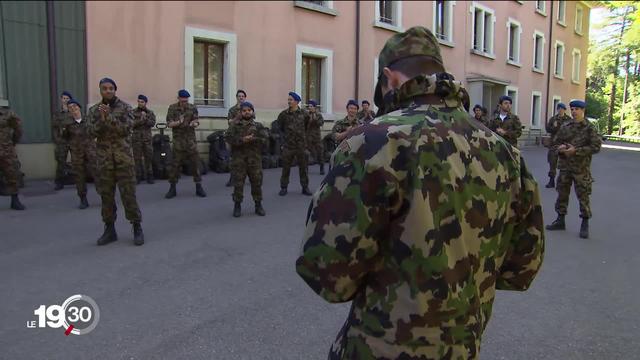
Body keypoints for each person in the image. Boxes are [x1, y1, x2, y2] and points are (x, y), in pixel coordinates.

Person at [296, 26, 544, 359]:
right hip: (463, 347)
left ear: (390, 78)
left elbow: (328, 273)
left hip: (381, 348)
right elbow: (522, 268)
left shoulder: (374, 142)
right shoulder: (504, 152)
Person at [87, 78, 144, 246]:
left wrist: (109, 118)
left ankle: (137, 226)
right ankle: (109, 229)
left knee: (129, 195)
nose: (108, 91)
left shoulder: (125, 108)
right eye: (104, 88)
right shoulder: (93, 111)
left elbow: (126, 129)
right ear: (100, 91)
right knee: (106, 197)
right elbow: (89, 132)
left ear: (115, 90)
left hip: (123, 159)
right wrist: (102, 120)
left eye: (111, 88)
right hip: (104, 160)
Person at [546, 99, 601, 239]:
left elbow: (596, 147)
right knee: (562, 193)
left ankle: (585, 222)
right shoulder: (566, 126)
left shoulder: (589, 128)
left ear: (583, 111)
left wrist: (576, 150)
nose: (574, 111)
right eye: (572, 109)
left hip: (581, 169)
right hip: (565, 167)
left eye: (577, 109)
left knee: (583, 196)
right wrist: (560, 148)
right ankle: (560, 219)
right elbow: (556, 142)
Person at [225, 101, 267, 217]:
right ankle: (237, 205)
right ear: (241, 112)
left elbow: (265, 140)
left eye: (249, 110)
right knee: (238, 184)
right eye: (244, 111)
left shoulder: (258, 126)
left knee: (256, 183)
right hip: (239, 161)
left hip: (254, 160)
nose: (247, 112)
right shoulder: (234, 126)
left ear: (252, 112)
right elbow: (228, 138)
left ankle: (258, 205)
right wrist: (242, 140)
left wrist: (253, 139)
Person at [164, 89, 207, 199]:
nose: (184, 103)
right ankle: (172, 188)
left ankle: (199, 187)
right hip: (178, 141)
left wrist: (194, 123)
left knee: (195, 164)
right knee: (175, 165)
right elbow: (169, 124)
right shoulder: (172, 108)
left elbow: (197, 120)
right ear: (178, 98)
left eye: (186, 101)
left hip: (190, 140)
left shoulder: (192, 107)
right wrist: (179, 122)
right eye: (182, 101)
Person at [277, 91, 311, 196]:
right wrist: (284, 140)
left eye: (291, 100)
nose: (289, 102)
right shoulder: (283, 114)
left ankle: (305, 187)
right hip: (288, 145)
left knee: (303, 167)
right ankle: (284, 187)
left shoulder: (304, 114)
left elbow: (307, 127)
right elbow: (280, 128)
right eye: (288, 100)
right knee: (286, 167)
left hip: (301, 145)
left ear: (296, 101)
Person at [64, 99, 97, 209]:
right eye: (70, 107)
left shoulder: (89, 120)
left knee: (97, 173)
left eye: (75, 106)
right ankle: (83, 199)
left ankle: (105, 196)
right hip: (77, 153)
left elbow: (96, 132)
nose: (73, 109)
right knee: (79, 176)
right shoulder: (67, 124)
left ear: (79, 107)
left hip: (91, 152)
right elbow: (65, 137)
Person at [0, 105, 25, 210]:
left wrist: (12, 143)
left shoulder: (8, 113)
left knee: (12, 173)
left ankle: (15, 200)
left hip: (6, 149)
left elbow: (18, 129)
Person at [544, 102, 571, 188]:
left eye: (562, 109)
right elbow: (548, 129)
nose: (560, 110)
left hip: (564, 145)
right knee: (552, 163)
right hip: (554, 145)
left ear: (564, 110)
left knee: (564, 165)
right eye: (559, 109)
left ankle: (563, 183)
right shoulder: (553, 119)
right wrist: (554, 127)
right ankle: (551, 181)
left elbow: (571, 131)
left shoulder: (568, 119)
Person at [132, 94, 156, 184]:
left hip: (147, 139)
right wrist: (140, 120)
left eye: (142, 102)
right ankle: (138, 176)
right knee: (137, 158)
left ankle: (150, 176)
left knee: (148, 158)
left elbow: (152, 123)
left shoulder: (150, 113)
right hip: (136, 139)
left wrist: (145, 119)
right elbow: (131, 124)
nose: (140, 103)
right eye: (138, 101)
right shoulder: (133, 112)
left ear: (145, 103)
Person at [52, 91, 74, 190]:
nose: (65, 100)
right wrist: (57, 139)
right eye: (63, 98)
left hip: (73, 139)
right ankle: (59, 182)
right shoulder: (57, 113)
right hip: (62, 140)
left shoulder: (74, 111)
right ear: (61, 100)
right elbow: (54, 127)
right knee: (61, 161)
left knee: (77, 160)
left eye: (67, 98)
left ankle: (79, 180)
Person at [226, 89, 247, 187]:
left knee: (247, 158)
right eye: (239, 96)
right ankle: (232, 178)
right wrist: (237, 118)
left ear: (245, 98)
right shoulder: (232, 110)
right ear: (237, 98)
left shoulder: (248, 109)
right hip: (235, 137)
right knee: (234, 158)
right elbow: (230, 122)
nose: (241, 98)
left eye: (243, 96)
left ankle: (249, 178)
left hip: (246, 136)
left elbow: (252, 119)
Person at [306, 100, 325, 175]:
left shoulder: (318, 115)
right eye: (309, 106)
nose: (309, 108)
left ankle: (322, 167)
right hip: (308, 136)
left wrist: (315, 119)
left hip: (316, 137)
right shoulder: (307, 115)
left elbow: (321, 123)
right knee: (306, 153)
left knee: (320, 152)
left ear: (315, 107)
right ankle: (305, 168)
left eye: (311, 106)